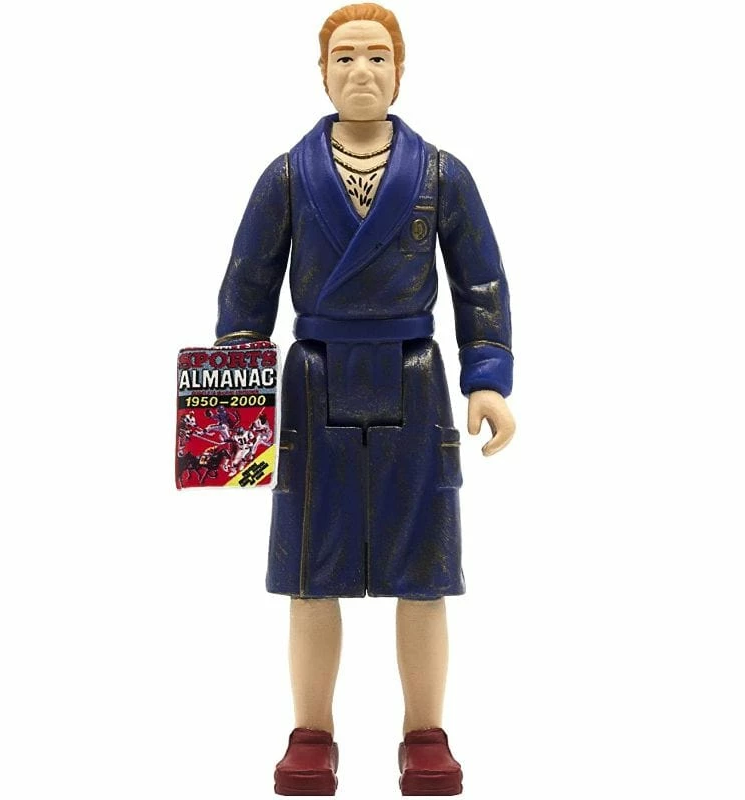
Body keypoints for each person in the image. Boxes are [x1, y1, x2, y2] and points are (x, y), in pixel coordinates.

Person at [214, 3, 515, 794]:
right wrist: (234, 395)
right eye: (344, 57)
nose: (361, 71)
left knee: (425, 569)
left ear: (401, 72)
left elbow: (480, 283)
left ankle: (426, 733)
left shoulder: (441, 175)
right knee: (311, 570)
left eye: (377, 57)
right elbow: (247, 287)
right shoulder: (288, 176)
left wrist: (486, 377)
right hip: (313, 380)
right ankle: (311, 733)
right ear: (321, 73)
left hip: (414, 378)